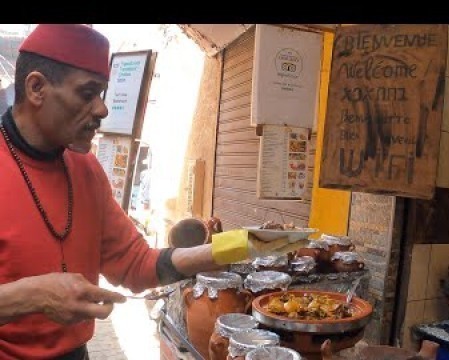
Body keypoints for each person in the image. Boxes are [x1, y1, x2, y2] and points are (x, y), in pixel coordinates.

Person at [0, 24, 295, 359]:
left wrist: (238, 246)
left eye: (103, 95)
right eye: (87, 94)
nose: (101, 109)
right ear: (37, 88)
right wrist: (31, 296)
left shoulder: (86, 169)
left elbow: (135, 264)